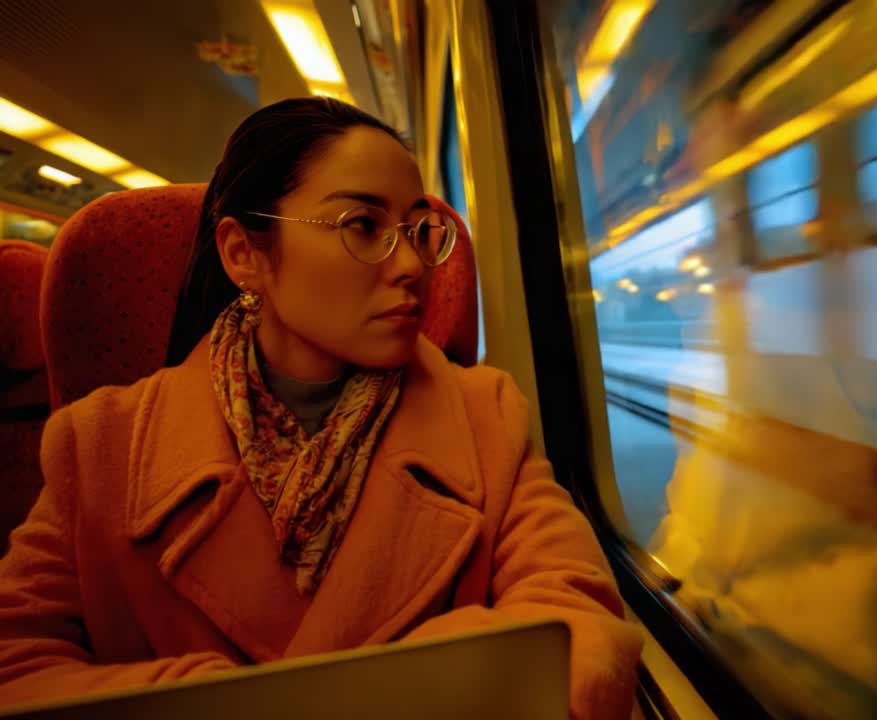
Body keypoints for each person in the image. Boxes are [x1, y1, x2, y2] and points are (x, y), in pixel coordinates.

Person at [0, 98, 642, 719]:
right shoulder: (100, 445)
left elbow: (576, 619)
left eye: (420, 231)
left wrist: (375, 687)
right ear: (243, 254)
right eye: (363, 226)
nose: (414, 265)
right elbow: (16, 666)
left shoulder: (486, 415)